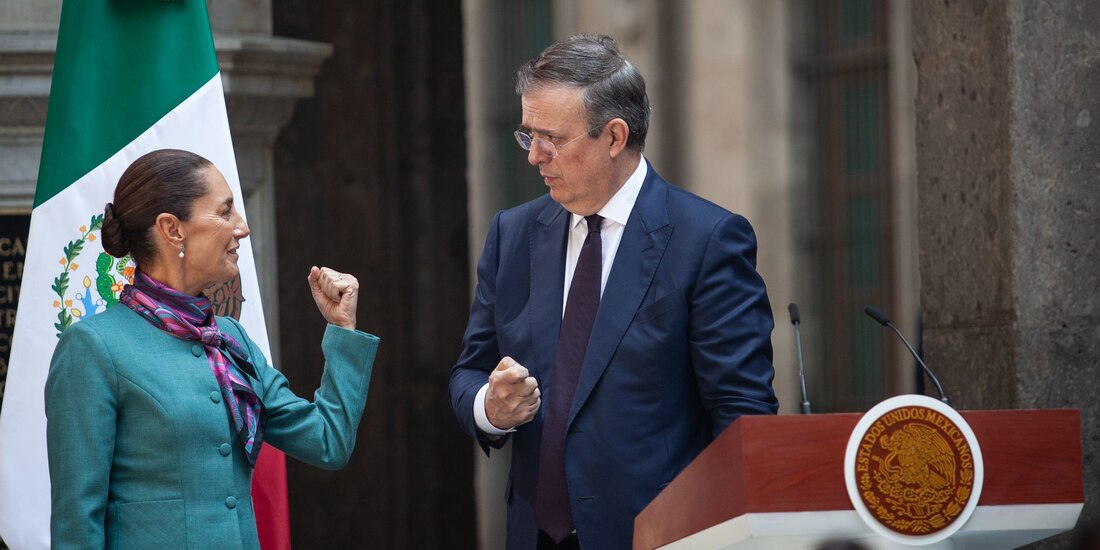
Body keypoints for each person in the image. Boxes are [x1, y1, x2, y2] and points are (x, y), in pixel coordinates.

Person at [449, 34, 779, 549]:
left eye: (551, 138)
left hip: (660, 535)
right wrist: (490, 408)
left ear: (615, 136)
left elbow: (741, 414)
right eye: (526, 134)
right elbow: (469, 370)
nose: (535, 156)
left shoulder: (707, 240)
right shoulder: (512, 235)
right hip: (534, 535)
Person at [44, 149, 379, 549]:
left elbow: (329, 442)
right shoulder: (93, 347)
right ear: (172, 229)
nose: (243, 227)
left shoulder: (231, 339)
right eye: (225, 212)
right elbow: (77, 525)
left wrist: (342, 328)